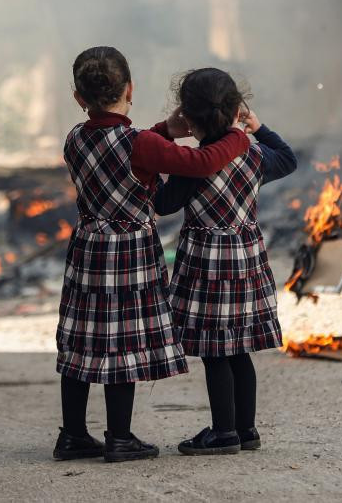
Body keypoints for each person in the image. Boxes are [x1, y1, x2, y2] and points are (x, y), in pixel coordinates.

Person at [54, 47, 250, 463]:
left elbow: (114, 147)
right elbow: (201, 162)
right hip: (129, 255)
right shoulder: (141, 143)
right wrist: (235, 134)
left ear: (78, 98)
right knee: (120, 342)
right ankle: (120, 438)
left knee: (82, 341)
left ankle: (72, 435)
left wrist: (165, 129)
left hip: (88, 247)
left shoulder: (74, 138)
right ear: (130, 89)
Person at [154, 68, 297, 455]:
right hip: (246, 260)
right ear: (237, 108)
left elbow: (163, 204)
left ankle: (223, 432)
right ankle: (246, 429)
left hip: (207, 266)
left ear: (188, 116)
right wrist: (258, 125)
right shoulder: (253, 155)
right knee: (239, 349)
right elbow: (288, 158)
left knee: (215, 351)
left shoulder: (194, 163)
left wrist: (154, 165)